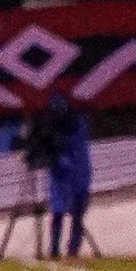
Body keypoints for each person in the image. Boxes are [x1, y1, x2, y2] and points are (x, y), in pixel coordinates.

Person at [43, 93, 92, 259]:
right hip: (60, 175)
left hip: (77, 175)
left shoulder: (77, 125)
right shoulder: (51, 126)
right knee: (58, 212)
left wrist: (60, 156)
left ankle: (73, 251)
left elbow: (78, 153)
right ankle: (54, 250)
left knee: (76, 214)